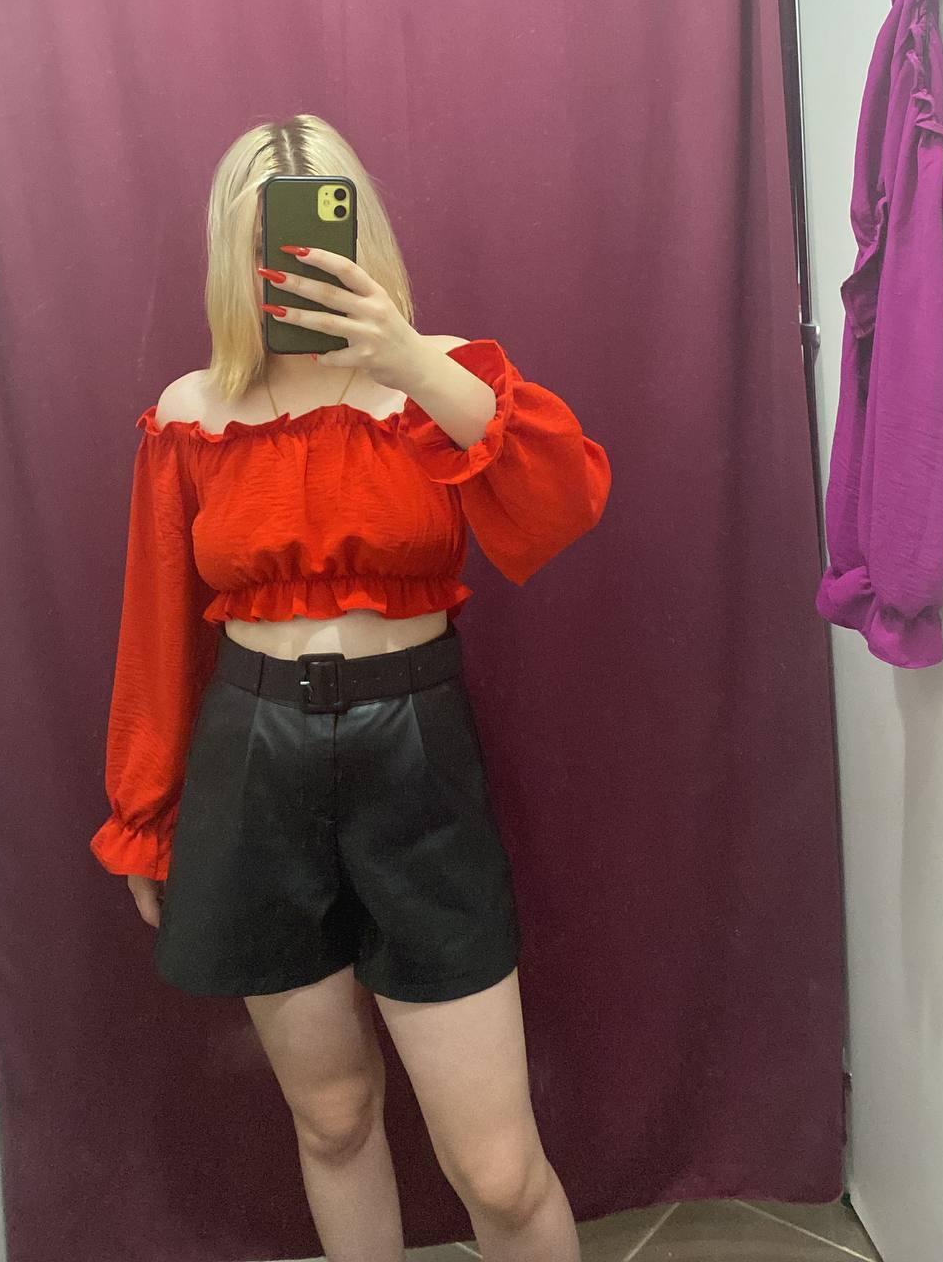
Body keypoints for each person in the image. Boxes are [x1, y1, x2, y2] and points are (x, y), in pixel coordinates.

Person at [91, 113, 611, 1262]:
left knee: (498, 1168)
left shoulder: (439, 381)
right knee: (331, 1118)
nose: (291, 264)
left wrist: (408, 358)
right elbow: (159, 633)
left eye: (317, 233)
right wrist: (145, 813)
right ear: (234, 256)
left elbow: (565, 500)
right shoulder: (190, 415)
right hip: (252, 762)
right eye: (265, 242)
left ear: (358, 232)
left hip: (415, 755)